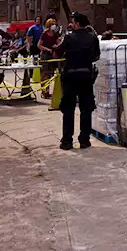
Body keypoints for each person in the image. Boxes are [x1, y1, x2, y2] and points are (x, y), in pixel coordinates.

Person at [58, 12, 100, 150]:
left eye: (73, 22)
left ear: (77, 24)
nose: (71, 24)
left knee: (69, 109)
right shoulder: (93, 37)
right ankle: (84, 140)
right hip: (86, 77)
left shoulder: (69, 37)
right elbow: (96, 56)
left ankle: (67, 141)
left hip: (70, 77)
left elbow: (58, 53)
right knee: (86, 109)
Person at [38, 19, 63, 103]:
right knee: (44, 74)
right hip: (45, 55)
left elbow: (57, 43)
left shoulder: (55, 34)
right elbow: (39, 45)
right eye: (53, 24)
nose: (54, 26)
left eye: (55, 24)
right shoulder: (44, 34)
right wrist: (48, 49)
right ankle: (44, 91)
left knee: (50, 73)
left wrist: (58, 44)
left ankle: (48, 91)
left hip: (53, 55)